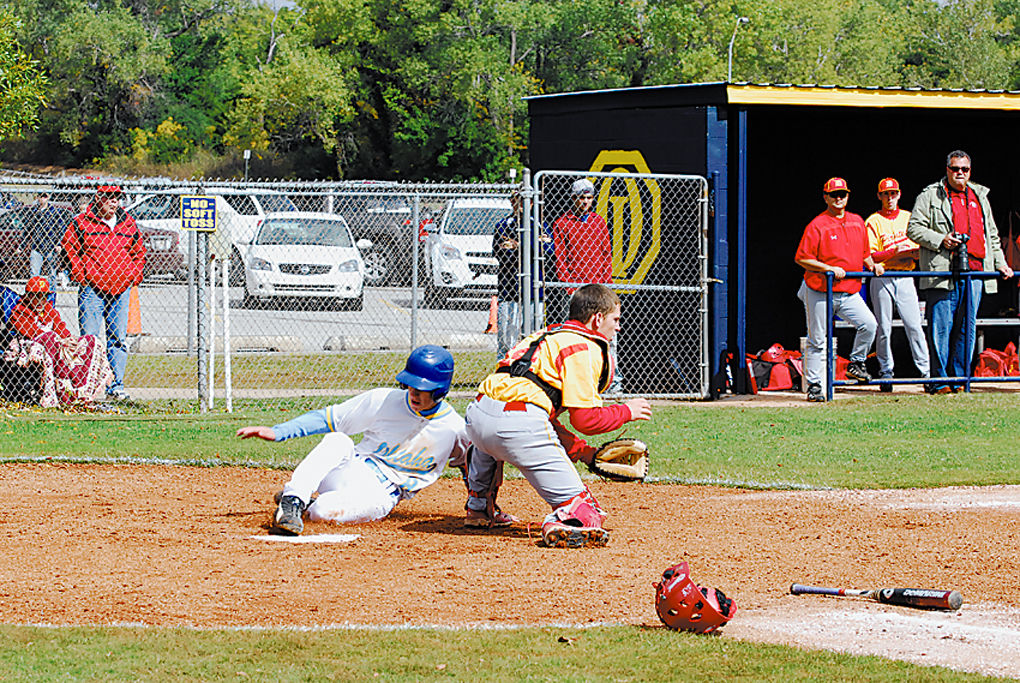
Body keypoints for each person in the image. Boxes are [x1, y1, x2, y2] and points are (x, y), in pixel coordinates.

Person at [462, 283, 652, 548]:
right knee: (587, 514)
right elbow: (585, 420)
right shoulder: (583, 346)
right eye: (615, 319)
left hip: (476, 417)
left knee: (495, 433)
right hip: (517, 426)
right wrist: (626, 411)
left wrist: (584, 453)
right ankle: (565, 520)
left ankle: (479, 506)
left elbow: (539, 417)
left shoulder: (546, 335)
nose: (618, 327)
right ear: (597, 319)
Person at [238, 345, 468, 536]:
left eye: (422, 388)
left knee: (323, 512)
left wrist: (479, 506)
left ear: (439, 390)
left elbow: (471, 466)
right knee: (338, 440)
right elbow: (329, 418)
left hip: (381, 495)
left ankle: (310, 505)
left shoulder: (454, 429)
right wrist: (279, 432)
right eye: (409, 385)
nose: (413, 393)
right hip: (351, 467)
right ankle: (293, 501)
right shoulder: (383, 400)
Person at [907, 150, 1013, 393]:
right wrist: (941, 239)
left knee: (967, 328)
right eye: (955, 169)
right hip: (943, 272)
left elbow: (991, 235)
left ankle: (960, 380)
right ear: (947, 170)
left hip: (975, 272)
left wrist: (1001, 263)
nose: (960, 174)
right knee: (940, 328)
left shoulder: (980, 195)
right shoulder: (930, 194)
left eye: (964, 169)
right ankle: (939, 382)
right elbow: (913, 228)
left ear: (970, 171)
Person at [794, 177, 882, 402]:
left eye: (842, 194)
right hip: (820, 289)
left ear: (848, 196)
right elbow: (802, 258)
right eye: (834, 194)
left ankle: (856, 363)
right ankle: (814, 385)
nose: (839, 198)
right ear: (826, 197)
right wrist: (828, 268)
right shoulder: (818, 224)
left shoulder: (857, 221)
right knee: (817, 340)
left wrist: (873, 265)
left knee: (869, 325)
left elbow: (865, 254)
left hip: (848, 290)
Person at [61, 184, 146, 401]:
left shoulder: (128, 223)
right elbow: (69, 247)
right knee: (89, 339)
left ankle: (115, 386)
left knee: (117, 339)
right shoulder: (82, 222)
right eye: (109, 197)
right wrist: (80, 273)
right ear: (99, 198)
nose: (114, 201)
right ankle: (86, 387)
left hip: (121, 289)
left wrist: (133, 275)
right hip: (92, 289)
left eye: (117, 197)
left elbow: (139, 252)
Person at [865, 178, 930, 392]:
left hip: (905, 275)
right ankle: (886, 372)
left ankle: (926, 373)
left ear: (899, 194)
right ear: (879, 196)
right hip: (883, 276)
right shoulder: (873, 221)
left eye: (893, 193)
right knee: (883, 328)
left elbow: (918, 251)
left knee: (914, 326)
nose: (889, 197)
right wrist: (894, 252)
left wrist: (902, 252)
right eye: (885, 194)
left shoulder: (908, 217)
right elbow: (872, 254)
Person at [6, 276, 113, 405]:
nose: (41, 301)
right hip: (33, 347)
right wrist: (59, 339)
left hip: (56, 345)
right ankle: (60, 391)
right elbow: (32, 332)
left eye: (44, 296)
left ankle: (80, 390)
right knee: (50, 338)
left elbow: (61, 329)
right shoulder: (19, 311)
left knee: (90, 340)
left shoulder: (49, 311)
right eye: (36, 296)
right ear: (28, 296)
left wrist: (69, 340)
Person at [492, 191, 555, 358]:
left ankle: (530, 367)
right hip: (510, 288)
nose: (520, 205)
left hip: (536, 290)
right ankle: (505, 368)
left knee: (535, 332)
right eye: (516, 201)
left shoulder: (540, 225)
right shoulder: (503, 225)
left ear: (532, 204)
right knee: (508, 335)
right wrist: (533, 245)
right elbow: (503, 255)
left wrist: (519, 245)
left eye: (524, 201)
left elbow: (548, 253)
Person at [24, 192, 66, 290]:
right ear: (37, 198)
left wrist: (59, 244)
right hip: (37, 246)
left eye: (45, 196)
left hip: (51, 246)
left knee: (52, 274)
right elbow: (28, 230)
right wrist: (22, 246)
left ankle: (51, 298)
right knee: (34, 274)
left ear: (48, 197)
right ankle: (34, 295)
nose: (43, 199)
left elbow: (61, 229)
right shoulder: (34, 212)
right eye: (41, 196)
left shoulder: (54, 212)